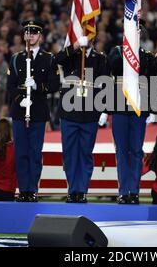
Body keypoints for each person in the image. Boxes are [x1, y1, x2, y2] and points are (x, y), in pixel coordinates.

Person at [7, 19, 60, 202]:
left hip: (37, 111)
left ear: (40, 36)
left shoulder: (49, 58)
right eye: (27, 33)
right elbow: (10, 85)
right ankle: (23, 190)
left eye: (34, 33)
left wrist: (38, 86)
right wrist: (20, 99)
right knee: (21, 152)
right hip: (20, 111)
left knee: (35, 153)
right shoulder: (16, 58)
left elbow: (54, 85)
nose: (30, 36)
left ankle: (33, 189)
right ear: (24, 36)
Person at [54, 36, 110, 203]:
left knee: (85, 153)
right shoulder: (71, 55)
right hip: (69, 111)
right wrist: (76, 46)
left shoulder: (101, 59)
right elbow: (56, 60)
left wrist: (105, 110)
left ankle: (82, 190)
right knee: (70, 153)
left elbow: (106, 85)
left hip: (90, 113)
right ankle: (72, 190)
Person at [106, 38, 154, 205]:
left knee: (135, 150)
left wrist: (153, 107)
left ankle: (134, 191)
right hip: (119, 106)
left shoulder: (146, 55)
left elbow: (151, 76)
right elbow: (115, 66)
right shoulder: (116, 52)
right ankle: (123, 191)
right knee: (121, 150)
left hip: (139, 107)